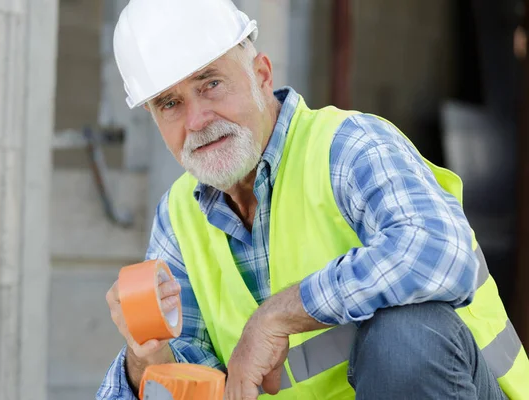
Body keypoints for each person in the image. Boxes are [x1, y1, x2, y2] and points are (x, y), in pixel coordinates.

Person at [97, 0, 529, 399]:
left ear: (262, 76)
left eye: (210, 84)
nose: (196, 120)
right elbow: (198, 386)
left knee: (406, 335)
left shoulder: (348, 148)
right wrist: (147, 360)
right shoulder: (178, 220)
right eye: (170, 103)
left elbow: (440, 253)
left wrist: (277, 315)